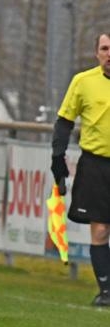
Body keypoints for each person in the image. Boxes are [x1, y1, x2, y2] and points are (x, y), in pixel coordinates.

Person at [51, 32, 110, 307]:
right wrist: (58, 157)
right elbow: (64, 122)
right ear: (97, 53)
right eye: (105, 48)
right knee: (99, 231)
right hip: (96, 165)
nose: (109, 53)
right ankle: (106, 291)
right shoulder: (83, 82)